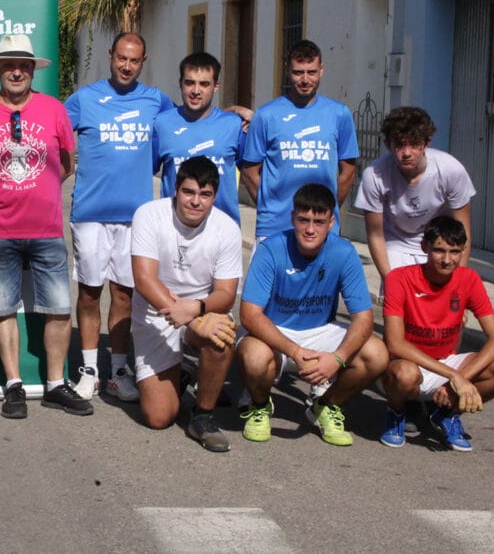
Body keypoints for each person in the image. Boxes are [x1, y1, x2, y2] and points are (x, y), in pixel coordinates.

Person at [0, 33, 92, 418]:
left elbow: (67, 163)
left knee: (58, 308)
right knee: (1, 308)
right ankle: (14, 385)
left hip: (47, 228)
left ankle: (54, 384)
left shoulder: (54, 110)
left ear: (33, 70)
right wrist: (6, 194)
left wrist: (40, 191)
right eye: (8, 65)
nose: (16, 71)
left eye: (23, 65)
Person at [64, 32, 175, 402]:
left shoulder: (156, 101)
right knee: (90, 292)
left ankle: (119, 370)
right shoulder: (84, 99)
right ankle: (90, 370)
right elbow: (53, 133)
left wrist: (238, 114)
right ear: (110, 55)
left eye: (134, 60)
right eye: (121, 58)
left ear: (143, 62)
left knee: (125, 295)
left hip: (136, 217)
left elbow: (188, 123)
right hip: (91, 214)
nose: (126, 66)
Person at [237, 183, 387, 447]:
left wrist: (338, 359)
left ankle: (327, 405)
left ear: (331, 222)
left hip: (320, 330)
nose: (310, 229)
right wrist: (295, 352)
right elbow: (249, 315)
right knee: (254, 356)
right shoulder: (271, 249)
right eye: (304, 219)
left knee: (377, 353)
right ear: (293, 217)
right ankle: (260, 406)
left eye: (318, 221)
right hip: (276, 330)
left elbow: (363, 318)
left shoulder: (344, 253)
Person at [130, 157, 242, 452]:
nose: (196, 201)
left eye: (205, 195)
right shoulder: (149, 214)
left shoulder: (227, 228)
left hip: (201, 310)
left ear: (214, 196)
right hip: (156, 315)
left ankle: (203, 415)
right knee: (158, 417)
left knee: (221, 334)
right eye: (189, 192)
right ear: (176, 190)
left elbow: (226, 293)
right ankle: (181, 374)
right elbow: (144, 279)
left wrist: (195, 310)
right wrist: (184, 314)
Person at [379, 216, 494, 451]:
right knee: (404, 373)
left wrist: (457, 381)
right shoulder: (399, 278)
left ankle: (446, 412)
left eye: (454, 252)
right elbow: (394, 343)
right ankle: (397, 412)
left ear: (463, 251)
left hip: (446, 362)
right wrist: (455, 376)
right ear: (425, 247)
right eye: (439, 250)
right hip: (409, 362)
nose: (446, 260)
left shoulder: (469, 279)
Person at [241, 40, 358, 245]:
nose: (305, 79)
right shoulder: (266, 115)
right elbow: (250, 172)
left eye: (311, 72)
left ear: (321, 70)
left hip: (323, 231)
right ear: (287, 69)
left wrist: (326, 208)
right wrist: (271, 204)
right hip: (274, 228)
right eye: (298, 72)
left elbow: (347, 171)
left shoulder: (339, 114)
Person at [356, 106, 475, 282]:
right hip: (396, 242)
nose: (406, 153)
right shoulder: (374, 175)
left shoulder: (450, 170)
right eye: (400, 145)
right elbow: (375, 234)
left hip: (438, 243)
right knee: (399, 301)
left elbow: (463, 230)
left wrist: (459, 283)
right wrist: (389, 281)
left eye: (414, 145)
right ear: (388, 144)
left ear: (426, 143)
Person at [152, 52, 247, 222]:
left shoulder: (233, 125)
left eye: (204, 84)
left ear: (215, 86)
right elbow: (144, 172)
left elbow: (253, 173)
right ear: (180, 84)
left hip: (222, 228)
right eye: (190, 83)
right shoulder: (162, 123)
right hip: (172, 227)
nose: (196, 91)